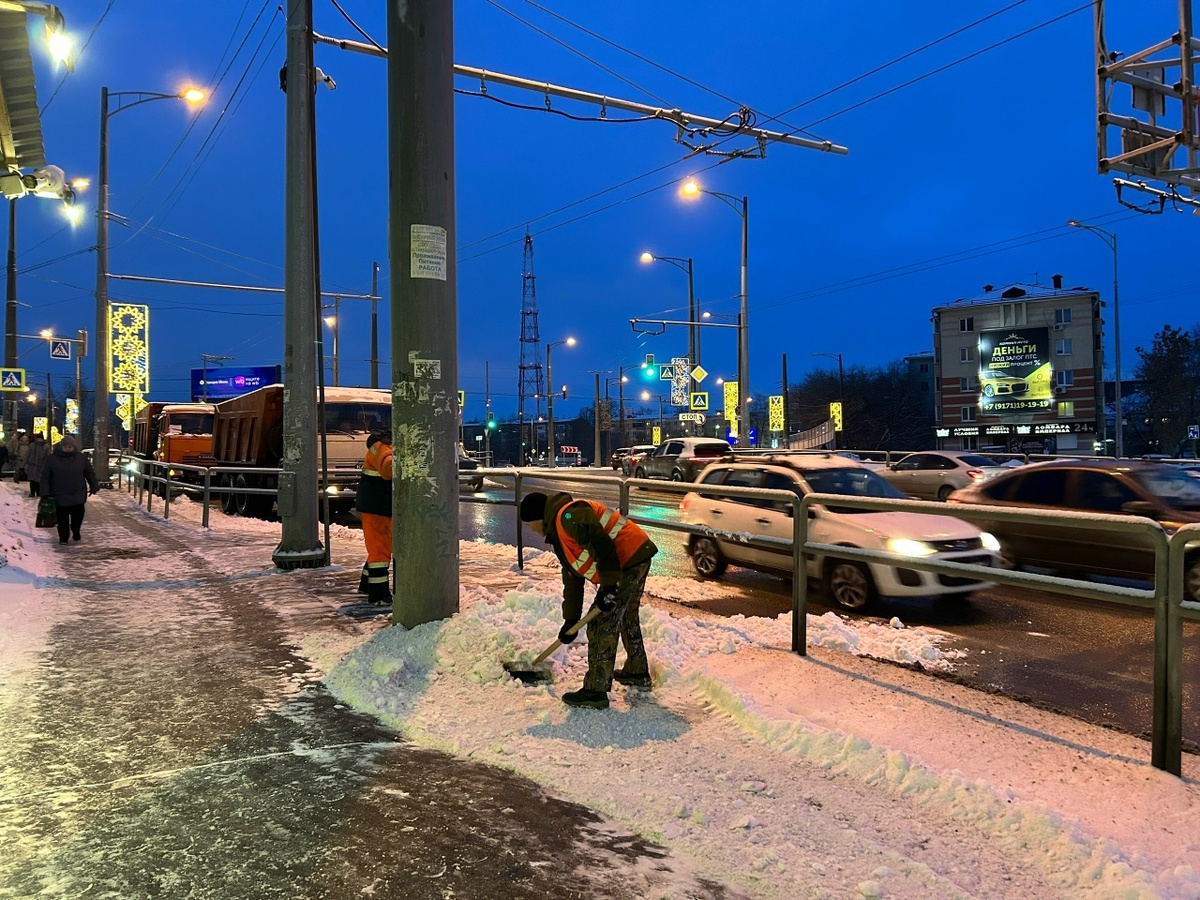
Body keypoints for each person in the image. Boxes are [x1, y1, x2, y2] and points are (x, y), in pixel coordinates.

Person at [519, 490, 658, 709]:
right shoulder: (560, 532)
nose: (532, 530)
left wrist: (609, 587)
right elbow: (573, 578)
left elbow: (603, 545)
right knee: (626, 616)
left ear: (538, 518)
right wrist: (570, 620)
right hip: (635, 556)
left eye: (529, 525)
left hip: (627, 559)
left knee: (601, 622)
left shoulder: (569, 516)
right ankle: (636, 671)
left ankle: (595, 690)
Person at [355, 430, 394, 605]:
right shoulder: (381, 448)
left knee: (377, 548)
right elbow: (388, 470)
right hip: (377, 507)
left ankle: (366, 586)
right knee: (379, 551)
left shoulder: (379, 447)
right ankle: (379, 595)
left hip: (376, 505)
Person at [42, 434, 99, 544]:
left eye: (70, 447)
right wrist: (45, 492)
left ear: (74, 447)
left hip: (77, 493)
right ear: (61, 446)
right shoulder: (52, 459)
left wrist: (94, 485)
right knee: (62, 519)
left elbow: (89, 473)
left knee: (78, 517)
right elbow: (45, 476)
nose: (68, 449)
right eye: (66, 447)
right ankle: (63, 538)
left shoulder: (81, 458)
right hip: (59, 494)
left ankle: (76, 530)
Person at [24, 433, 50, 498]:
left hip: (40, 466)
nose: (39, 440)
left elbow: (48, 457)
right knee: (32, 480)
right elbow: (27, 455)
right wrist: (23, 465)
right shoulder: (32, 445)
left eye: (40, 438)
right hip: (32, 466)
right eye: (38, 438)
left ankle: (38, 493)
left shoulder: (45, 446)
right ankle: (32, 492)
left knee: (38, 481)